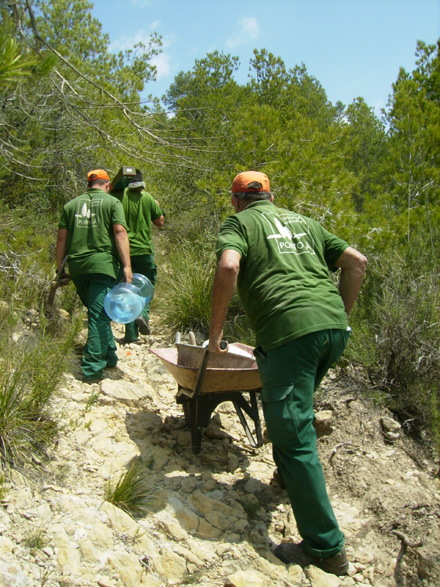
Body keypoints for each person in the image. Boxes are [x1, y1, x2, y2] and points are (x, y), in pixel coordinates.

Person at [208, 171, 367, 576]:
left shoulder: (239, 223)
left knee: (293, 435)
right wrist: (340, 319)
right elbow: (356, 262)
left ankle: (325, 547)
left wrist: (215, 334)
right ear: (271, 196)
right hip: (331, 331)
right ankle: (287, 476)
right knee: (296, 411)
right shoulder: (305, 222)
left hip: (288, 332)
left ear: (235, 200)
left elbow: (228, 266)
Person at [56, 169, 133, 382]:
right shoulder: (112, 203)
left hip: (78, 268)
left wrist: (59, 270)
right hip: (102, 266)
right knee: (98, 316)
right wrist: (127, 265)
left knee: (97, 310)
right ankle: (92, 369)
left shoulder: (71, 206)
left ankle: (109, 355)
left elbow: (62, 239)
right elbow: (120, 232)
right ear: (107, 185)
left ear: (89, 184)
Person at [116, 170, 164, 343]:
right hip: (144, 251)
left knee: (127, 290)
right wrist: (158, 206)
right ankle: (143, 314)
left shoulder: (119, 197)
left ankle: (130, 335)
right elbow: (159, 222)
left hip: (124, 252)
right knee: (146, 287)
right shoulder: (148, 198)